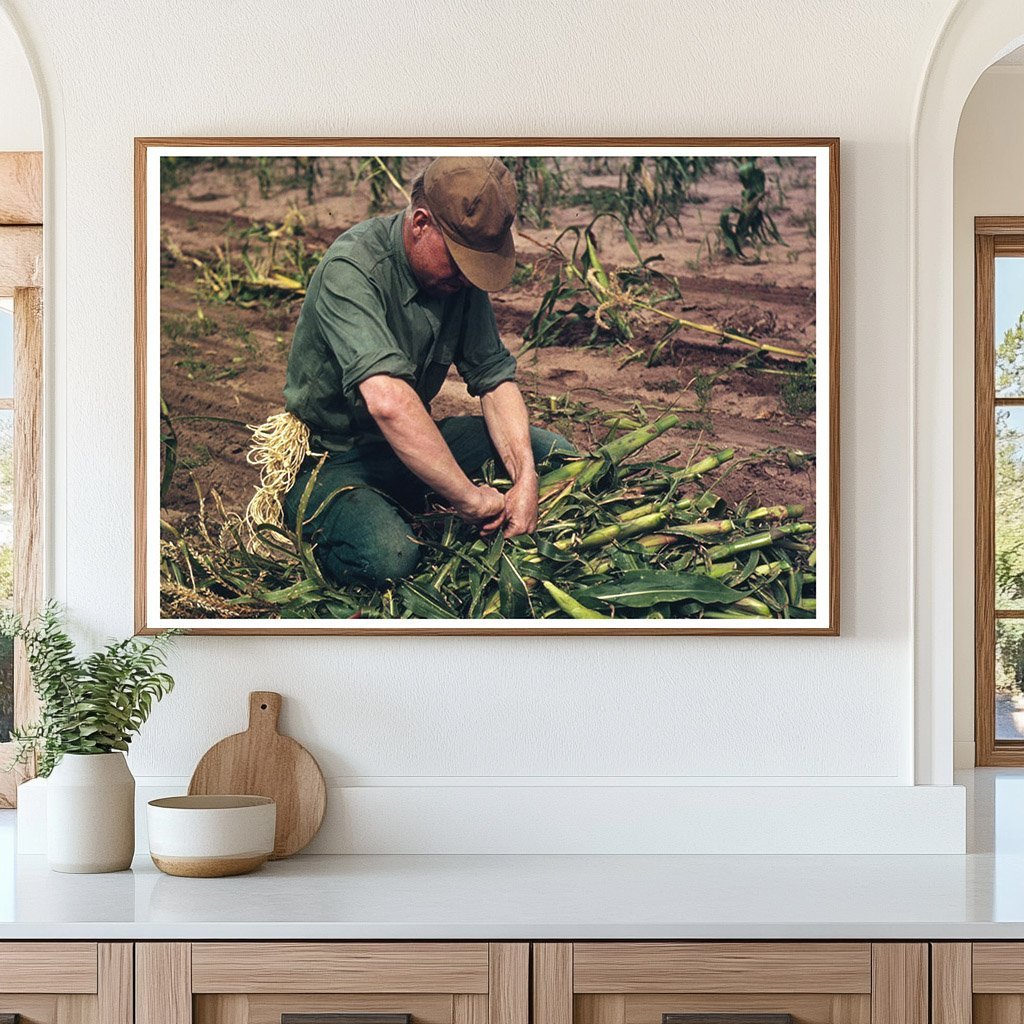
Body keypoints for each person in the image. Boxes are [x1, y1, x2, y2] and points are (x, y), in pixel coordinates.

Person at [269, 156, 573, 588]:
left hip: (409, 447)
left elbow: (494, 380)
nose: (468, 280)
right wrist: (468, 499)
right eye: (460, 262)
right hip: (334, 457)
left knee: (554, 453)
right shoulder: (352, 269)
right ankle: (321, 521)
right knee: (389, 557)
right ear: (420, 223)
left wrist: (526, 478)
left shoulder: (454, 282)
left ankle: (412, 501)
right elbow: (389, 402)